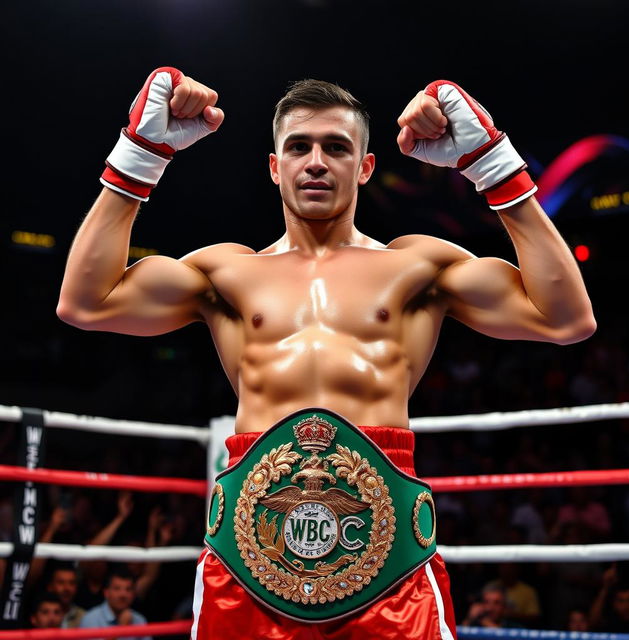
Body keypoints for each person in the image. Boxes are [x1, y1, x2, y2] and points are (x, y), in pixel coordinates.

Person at [57, 67, 596, 639]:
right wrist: (141, 155)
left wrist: (493, 167)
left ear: (364, 167)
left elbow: (566, 318)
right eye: (299, 147)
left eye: (336, 147)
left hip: (388, 576)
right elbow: (86, 302)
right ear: (275, 166)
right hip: (247, 570)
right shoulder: (227, 271)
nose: (316, 161)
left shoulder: (416, 266)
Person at [79, 568, 151, 640]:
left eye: (128, 589)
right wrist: (121, 628)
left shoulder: (139, 620)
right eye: (117, 589)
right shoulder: (91, 618)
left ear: (134, 594)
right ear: (106, 593)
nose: (123, 594)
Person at [46, 562, 86, 628]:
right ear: (50, 586)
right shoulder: (41, 616)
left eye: (71, 583)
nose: (67, 588)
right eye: (61, 582)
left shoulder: (84, 617)